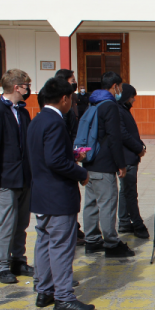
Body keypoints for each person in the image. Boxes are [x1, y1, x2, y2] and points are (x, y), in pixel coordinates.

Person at [27, 76, 94, 310]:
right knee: (61, 247)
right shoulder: (55, 122)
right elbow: (55, 161)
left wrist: (71, 157)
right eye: (71, 99)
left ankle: (44, 290)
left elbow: (47, 156)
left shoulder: (37, 120)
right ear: (65, 99)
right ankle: (63, 296)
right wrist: (80, 172)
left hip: (42, 194)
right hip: (58, 196)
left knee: (44, 243)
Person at [0, 68, 34, 284]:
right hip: (5, 178)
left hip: (24, 177)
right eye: (26, 86)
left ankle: (18, 260)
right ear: (16, 87)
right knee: (7, 222)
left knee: (21, 222)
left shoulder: (22, 111)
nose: (28, 89)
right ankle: (1, 265)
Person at [82, 71, 134, 258]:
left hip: (89, 161)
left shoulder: (92, 102)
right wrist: (121, 164)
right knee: (108, 204)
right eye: (119, 86)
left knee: (91, 204)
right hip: (104, 164)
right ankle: (111, 243)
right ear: (115, 86)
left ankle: (92, 240)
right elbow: (114, 138)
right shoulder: (110, 106)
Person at [53, 68, 86, 245]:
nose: (75, 83)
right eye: (72, 80)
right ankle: (70, 233)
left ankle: (75, 228)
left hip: (70, 152)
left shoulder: (70, 102)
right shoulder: (57, 115)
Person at [116, 84, 148, 239]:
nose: (133, 100)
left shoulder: (124, 110)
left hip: (130, 156)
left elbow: (131, 132)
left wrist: (140, 144)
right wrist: (138, 148)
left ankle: (123, 221)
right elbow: (123, 134)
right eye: (132, 97)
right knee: (130, 192)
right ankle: (137, 223)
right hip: (127, 157)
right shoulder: (118, 111)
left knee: (124, 191)